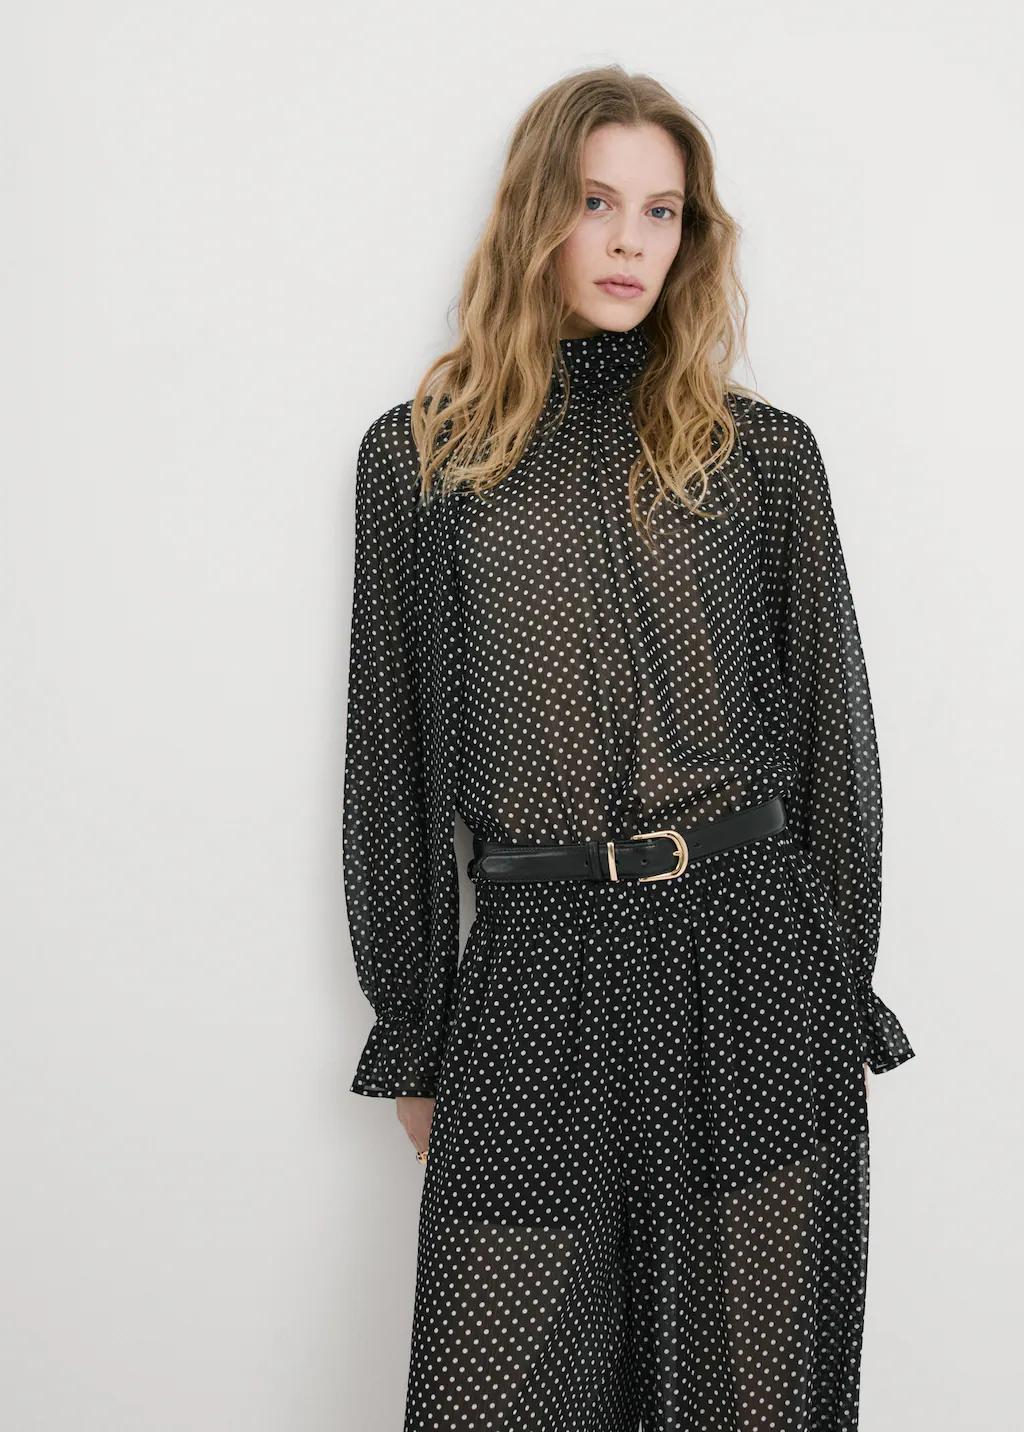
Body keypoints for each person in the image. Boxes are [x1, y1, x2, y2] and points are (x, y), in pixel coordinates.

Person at [341, 63, 915, 1432]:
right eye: (596, 202)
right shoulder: (421, 460)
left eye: (661, 212)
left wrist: (839, 982)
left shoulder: (764, 457)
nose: (627, 242)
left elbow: (834, 742)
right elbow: (394, 759)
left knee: (758, 1400)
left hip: (755, 960)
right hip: (537, 974)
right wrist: (416, 1030)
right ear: (537, 214)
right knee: (496, 1394)